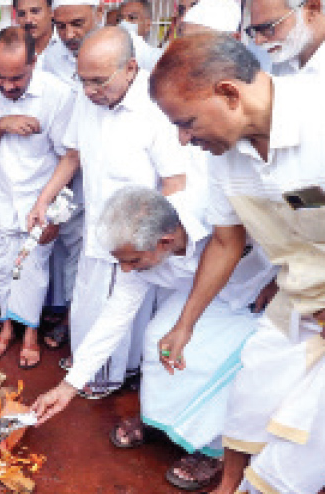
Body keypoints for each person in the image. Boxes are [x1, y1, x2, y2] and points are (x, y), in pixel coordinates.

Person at [150, 32, 325, 494]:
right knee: (250, 396)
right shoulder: (226, 155)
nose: (183, 139)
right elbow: (226, 242)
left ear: (229, 93)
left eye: (186, 122)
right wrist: (186, 324)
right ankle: (227, 486)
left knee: (295, 457)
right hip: (299, 301)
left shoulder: (319, 114)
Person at [31, 186, 277, 492]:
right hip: (201, 294)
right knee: (156, 340)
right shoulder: (136, 246)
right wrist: (69, 385)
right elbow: (114, 317)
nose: (126, 269)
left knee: (220, 362)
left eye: (133, 261)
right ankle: (157, 419)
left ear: (165, 242)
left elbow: (293, 234)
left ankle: (211, 450)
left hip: (254, 293)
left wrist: (281, 278)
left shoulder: (220, 209)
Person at [29, 27, 187, 396]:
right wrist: (44, 200)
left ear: (131, 68)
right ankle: (88, 372)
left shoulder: (158, 107)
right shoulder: (88, 100)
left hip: (138, 242)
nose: (89, 91)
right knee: (88, 301)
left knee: (121, 311)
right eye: (82, 81)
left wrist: (153, 243)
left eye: (98, 82)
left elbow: (174, 183)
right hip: (97, 229)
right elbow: (72, 155)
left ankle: (114, 377)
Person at [0, 27, 76, 369]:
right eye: (0, 76)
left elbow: (70, 156)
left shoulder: (58, 94)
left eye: (16, 78)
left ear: (34, 61)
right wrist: (2, 123)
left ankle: (29, 333)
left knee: (33, 267)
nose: (7, 86)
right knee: (4, 265)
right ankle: (6, 328)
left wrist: (46, 203)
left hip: (39, 198)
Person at [246, 0, 325, 76]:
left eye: (268, 27)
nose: (258, 41)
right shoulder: (282, 62)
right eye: (255, 30)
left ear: (312, 9)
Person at [42, 0, 102, 86]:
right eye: (61, 27)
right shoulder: (52, 58)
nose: (69, 35)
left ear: (99, 13)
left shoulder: (119, 53)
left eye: (77, 24)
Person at [117, 0, 164, 70]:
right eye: (119, 19)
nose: (123, 23)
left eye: (132, 18)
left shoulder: (157, 58)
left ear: (147, 25)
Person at [13, 0, 57, 73]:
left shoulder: (67, 43)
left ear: (51, 11)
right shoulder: (11, 47)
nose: (28, 20)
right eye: (22, 14)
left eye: (35, 12)